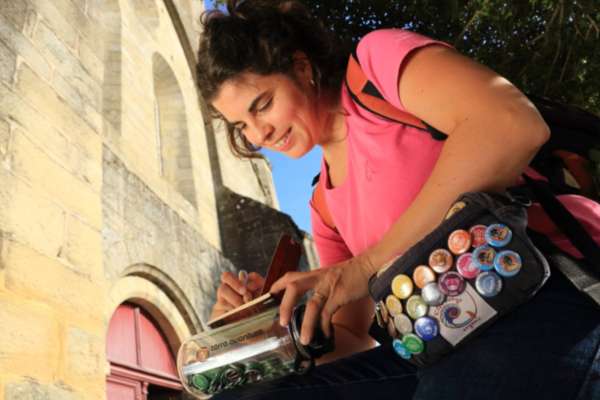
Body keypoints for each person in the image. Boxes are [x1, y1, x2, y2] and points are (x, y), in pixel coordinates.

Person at [198, 1, 600, 399]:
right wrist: (264, 333)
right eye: (241, 125)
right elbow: (352, 334)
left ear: (301, 67)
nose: (259, 135)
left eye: (263, 105)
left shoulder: (374, 66)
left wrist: (367, 264)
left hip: (535, 287)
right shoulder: (324, 204)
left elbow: (511, 123)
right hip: (433, 342)